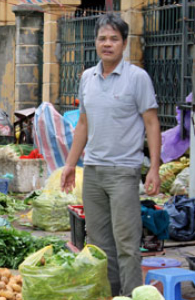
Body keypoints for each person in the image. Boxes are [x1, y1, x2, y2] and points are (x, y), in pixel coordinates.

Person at [60, 13, 161, 297]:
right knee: (100, 244)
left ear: (124, 43)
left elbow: (152, 122)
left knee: (127, 244)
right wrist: (70, 165)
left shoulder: (137, 78)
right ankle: (111, 294)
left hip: (123, 172)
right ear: (95, 42)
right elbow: (83, 123)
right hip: (92, 171)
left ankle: (130, 295)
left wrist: (153, 167)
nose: (107, 44)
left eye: (114, 39)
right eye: (103, 38)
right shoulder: (87, 78)